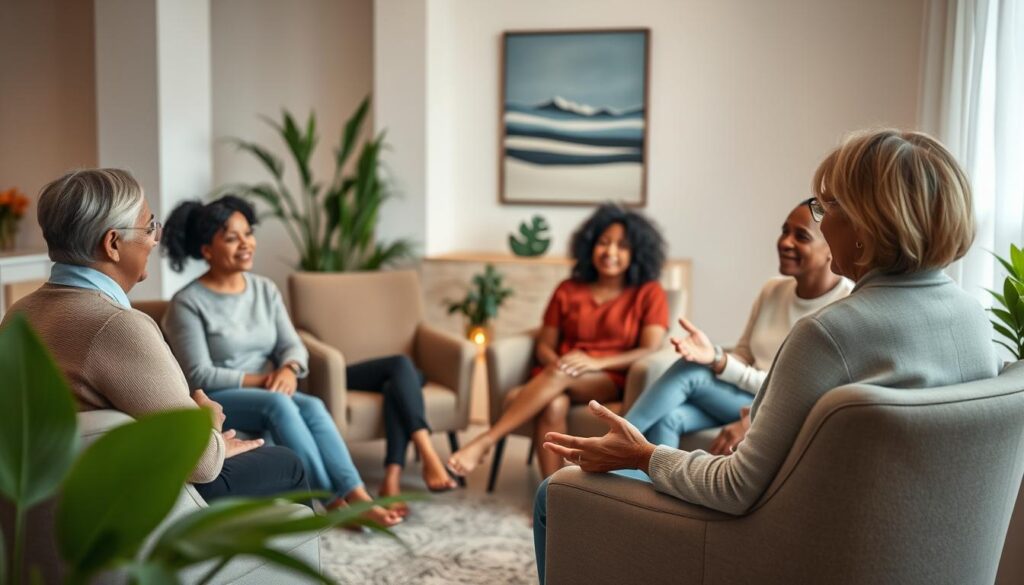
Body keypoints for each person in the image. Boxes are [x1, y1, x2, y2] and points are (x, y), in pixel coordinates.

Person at [533, 129, 999, 583]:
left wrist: (643, 456)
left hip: (786, 551)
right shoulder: (974, 318)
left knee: (555, 493)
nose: (822, 219)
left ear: (865, 227)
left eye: (827, 206)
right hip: (914, 553)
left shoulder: (828, 332)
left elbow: (733, 488)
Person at [0, 168, 310, 503]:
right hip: (131, 500)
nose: (156, 238)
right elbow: (202, 462)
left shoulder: (18, 314)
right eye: (149, 226)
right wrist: (207, 419)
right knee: (287, 464)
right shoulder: (120, 326)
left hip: (47, 503)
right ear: (113, 244)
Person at [160, 196, 451, 523]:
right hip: (219, 397)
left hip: (268, 389)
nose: (246, 244)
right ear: (206, 250)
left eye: (248, 233)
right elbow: (198, 374)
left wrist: (289, 368)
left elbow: (293, 345)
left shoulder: (264, 289)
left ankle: (358, 495)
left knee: (312, 405)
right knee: (279, 405)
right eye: (231, 238)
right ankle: (334, 503)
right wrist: (266, 382)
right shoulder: (187, 303)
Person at [448, 203, 670, 479]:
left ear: (636, 253)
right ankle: (552, 495)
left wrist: (594, 362)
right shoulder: (568, 289)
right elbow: (543, 344)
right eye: (603, 242)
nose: (610, 252)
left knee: (559, 379)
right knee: (554, 405)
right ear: (589, 245)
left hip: (609, 377)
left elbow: (649, 348)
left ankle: (486, 440)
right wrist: (558, 366)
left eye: (622, 246)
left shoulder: (649, 293)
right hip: (561, 372)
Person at [625, 199, 851, 454]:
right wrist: (710, 354)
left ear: (830, 246)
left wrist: (749, 414)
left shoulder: (846, 304)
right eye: (784, 231)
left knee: (691, 371)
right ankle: (643, 487)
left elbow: (801, 390)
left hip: (779, 405)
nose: (785, 242)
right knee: (670, 417)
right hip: (745, 396)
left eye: (801, 236)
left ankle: (615, 437)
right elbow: (744, 354)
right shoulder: (773, 289)